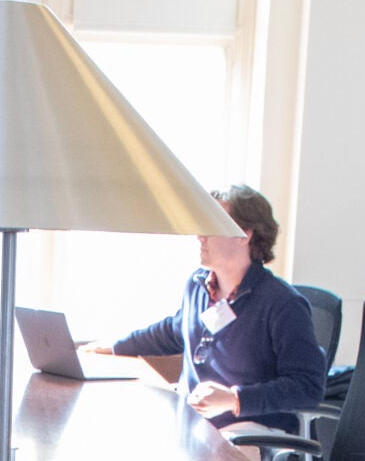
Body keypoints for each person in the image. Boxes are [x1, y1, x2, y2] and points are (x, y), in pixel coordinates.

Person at [93, 185, 325, 432]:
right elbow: (174, 331)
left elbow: (307, 387)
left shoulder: (283, 303)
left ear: (244, 236)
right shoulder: (198, 285)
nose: (200, 236)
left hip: (251, 430)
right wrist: (114, 346)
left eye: (211, 226)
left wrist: (234, 399)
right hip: (195, 424)